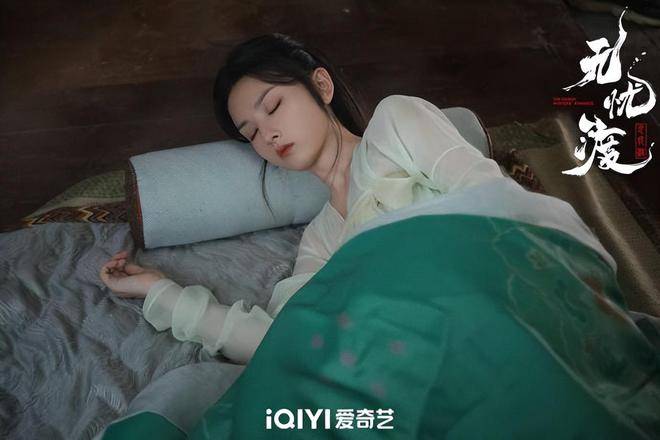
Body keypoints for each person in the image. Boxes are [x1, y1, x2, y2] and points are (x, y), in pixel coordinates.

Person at [99, 33, 508, 365]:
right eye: (251, 133)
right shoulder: (321, 238)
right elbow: (281, 342)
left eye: (274, 106)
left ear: (321, 86)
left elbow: (496, 201)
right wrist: (158, 291)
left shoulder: (395, 123)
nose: (268, 135)